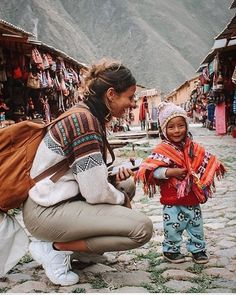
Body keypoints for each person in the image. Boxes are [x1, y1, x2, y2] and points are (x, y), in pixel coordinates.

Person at [22, 59, 153, 286]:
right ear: (111, 94)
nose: (132, 104)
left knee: (127, 184)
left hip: (55, 201)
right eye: (130, 97)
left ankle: (81, 252)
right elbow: (94, 193)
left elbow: (81, 172)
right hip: (46, 212)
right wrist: (121, 200)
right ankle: (54, 248)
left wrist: (113, 177)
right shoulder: (85, 121)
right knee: (141, 228)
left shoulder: (86, 114)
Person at [135, 102, 226, 264]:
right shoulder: (162, 150)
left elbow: (205, 160)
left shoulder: (194, 148)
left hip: (192, 198)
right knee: (172, 227)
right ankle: (171, 250)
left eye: (180, 125)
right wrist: (171, 172)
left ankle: (198, 249)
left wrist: (208, 167)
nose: (177, 131)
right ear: (164, 129)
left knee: (196, 226)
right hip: (172, 200)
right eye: (171, 127)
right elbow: (152, 170)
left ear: (186, 125)